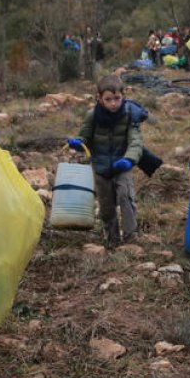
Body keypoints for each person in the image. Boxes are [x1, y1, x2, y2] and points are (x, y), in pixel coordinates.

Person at [67, 74, 143, 248]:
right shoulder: (92, 116)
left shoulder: (130, 114)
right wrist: (78, 143)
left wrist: (129, 159)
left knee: (125, 196)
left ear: (123, 95)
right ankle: (111, 238)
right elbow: (85, 139)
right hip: (101, 167)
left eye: (117, 98)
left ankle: (131, 237)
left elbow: (136, 141)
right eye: (108, 99)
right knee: (106, 205)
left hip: (122, 165)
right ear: (99, 98)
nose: (113, 103)